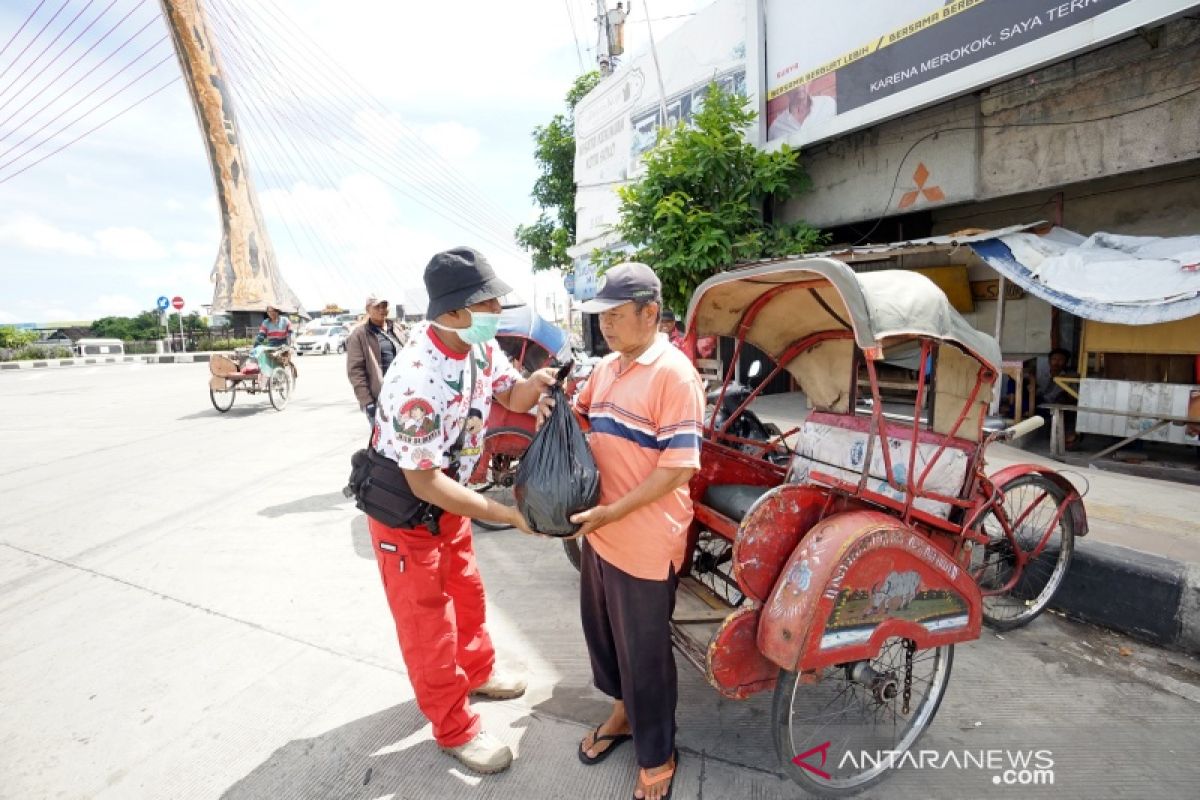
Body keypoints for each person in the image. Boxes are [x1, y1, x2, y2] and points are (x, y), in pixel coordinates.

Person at [368, 247, 556, 775]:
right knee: (428, 625)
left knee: (467, 592)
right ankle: (454, 727)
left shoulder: (479, 346)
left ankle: (476, 671)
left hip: (448, 499)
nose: (497, 310)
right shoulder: (415, 379)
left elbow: (512, 396)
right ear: (452, 312)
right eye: (487, 302)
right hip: (407, 511)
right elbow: (421, 480)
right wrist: (506, 514)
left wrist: (534, 384)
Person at [540, 262, 703, 800]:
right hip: (601, 531)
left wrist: (614, 513)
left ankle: (658, 752)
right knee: (604, 635)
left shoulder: (674, 375)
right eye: (600, 316)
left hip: (645, 537)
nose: (605, 326)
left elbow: (677, 468)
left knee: (646, 654)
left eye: (614, 315)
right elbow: (585, 418)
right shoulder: (609, 367)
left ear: (649, 313)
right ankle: (621, 716)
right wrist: (559, 411)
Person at [346, 293, 405, 426]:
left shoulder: (396, 328)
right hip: (379, 399)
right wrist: (367, 402)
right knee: (382, 443)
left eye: (384, 306)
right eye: (377, 306)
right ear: (368, 310)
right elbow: (355, 371)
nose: (381, 310)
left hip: (402, 394)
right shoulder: (359, 335)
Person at [1038, 347, 1081, 448]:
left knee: (1067, 405)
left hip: (1058, 403)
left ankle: (1069, 436)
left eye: (1061, 360)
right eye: (1054, 359)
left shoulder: (1069, 377)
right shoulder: (1042, 374)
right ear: (1049, 361)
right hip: (1040, 402)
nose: (1057, 363)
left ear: (1066, 362)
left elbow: (1074, 395)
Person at [767, 82, 836, 141]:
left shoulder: (827, 103)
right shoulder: (775, 128)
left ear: (810, 81)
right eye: (792, 80)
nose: (798, 85)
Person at [251, 305, 291, 383]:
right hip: (271, 345)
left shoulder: (285, 320)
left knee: (283, 360)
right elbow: (261, 335)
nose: (271, 313)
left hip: (283, 344)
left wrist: (289, 345)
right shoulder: (266, 322)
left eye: (272, 311)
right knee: (261, 351)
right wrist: (255, 346)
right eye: (269, 312)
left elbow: (290, 334)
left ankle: (287, 376)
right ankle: (266, 374)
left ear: (277, 311)